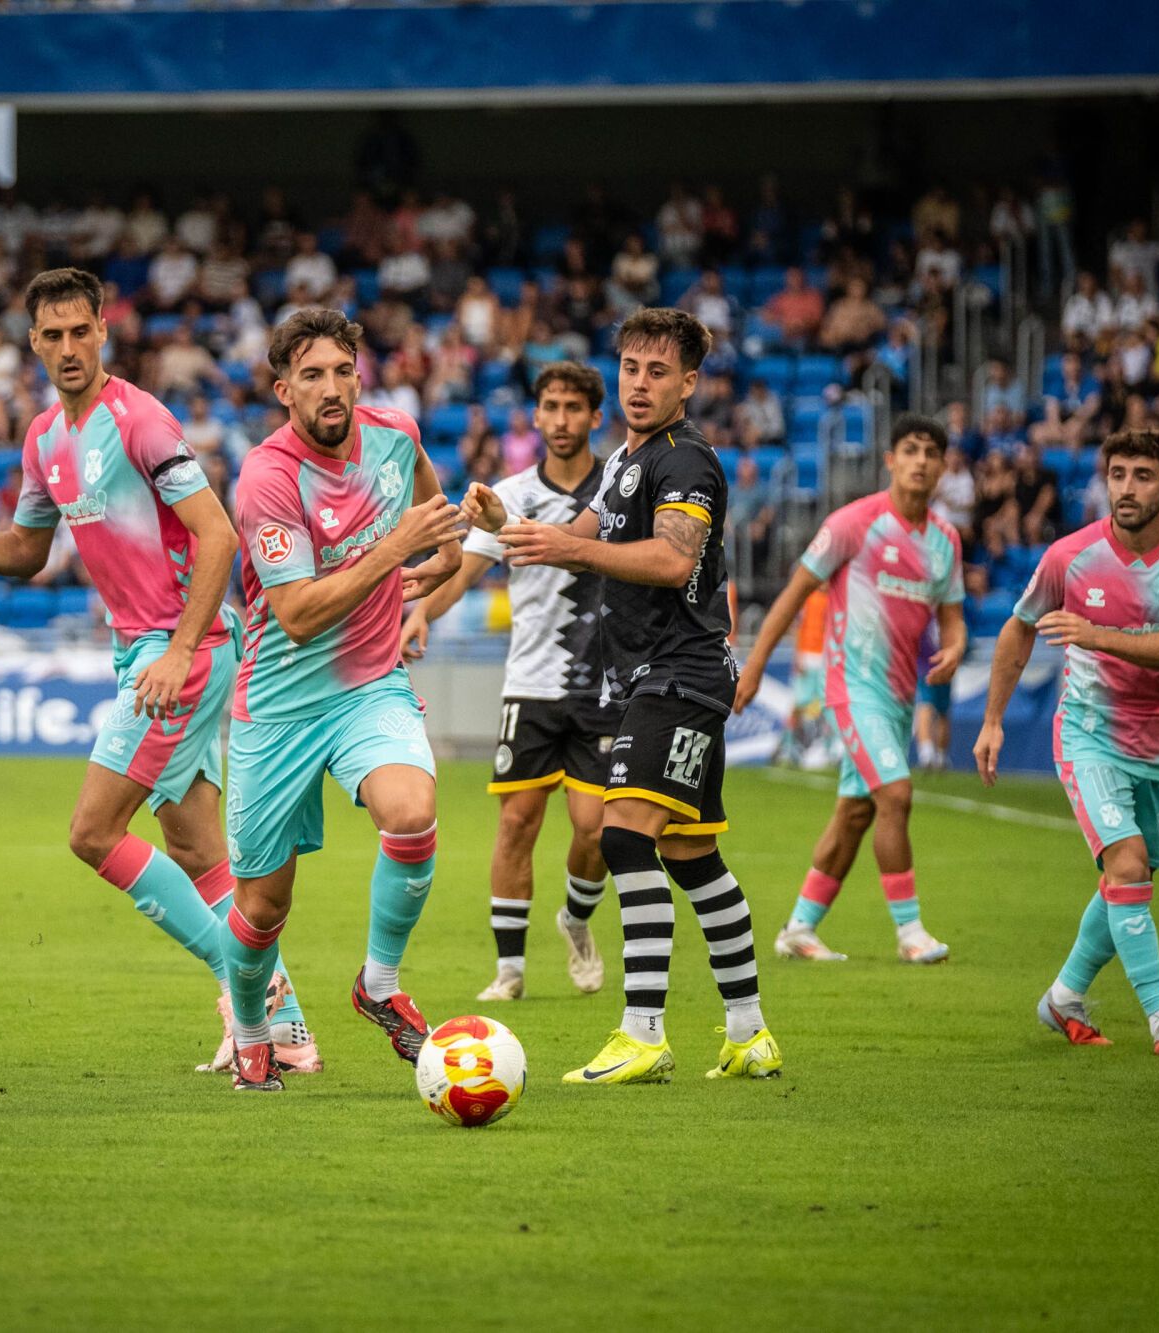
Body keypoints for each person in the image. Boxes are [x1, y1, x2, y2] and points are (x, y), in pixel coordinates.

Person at [0, 268, 319, 1075]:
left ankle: (251, 989)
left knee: (92, 833)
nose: (67, 347)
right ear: (33, 342)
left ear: (103, 331)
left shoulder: (142, 422)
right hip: (147, 651)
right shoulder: (43, 439)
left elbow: (219, 536)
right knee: (196, 847)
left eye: (79, 331)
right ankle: (289, 1031)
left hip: (182, 649)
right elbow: (27, 553)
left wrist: (177, 650)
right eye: (51, 335)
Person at [464, 307, 779, 1086]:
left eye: (658, 371)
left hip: (679, 672)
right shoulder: (623, 463)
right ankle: (750, 1032)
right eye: (631, 368)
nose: (640, 383)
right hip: (659, 676)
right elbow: (573, 540)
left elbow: (672, 560)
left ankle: (642, 1033)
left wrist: (564, 544)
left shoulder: (686, 461)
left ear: (688, 383)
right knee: (691, 855)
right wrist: (509, 525)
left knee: (623, 836)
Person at [221, 307, 465, 1093]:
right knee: (263, 905)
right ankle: (252, 1029)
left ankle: (380, 985)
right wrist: (396, 550)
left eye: (343, 372)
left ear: (360, 377)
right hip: (278, 706)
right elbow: (296, 614)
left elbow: (432, 507)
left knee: (412, 811)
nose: (332, 389)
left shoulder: (396, 434)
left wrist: (444, 553)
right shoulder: (267, 476)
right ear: (283, 389)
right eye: (313, 375)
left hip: (368, 684)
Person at [975, 426, 1159, 1061]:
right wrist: (993, 719)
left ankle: (1063, 997)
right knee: (1129, 865)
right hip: (1089, 733)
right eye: (1117, 474)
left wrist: (1095, 634)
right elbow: (1019, 627)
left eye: (1143, 476)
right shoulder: (1070, 556)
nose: (1127, 488)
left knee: (1131, 876)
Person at [400, 362, 613, 1002]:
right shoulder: (511, 495)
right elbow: (463, 571)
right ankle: (511, 971)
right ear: (536, 416)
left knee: (596, 830)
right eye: (551, 406)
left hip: (604, 688)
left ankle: (575, 918)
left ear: (595, 416)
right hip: (530, 684)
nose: (562, 419)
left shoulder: (620, 488)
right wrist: (421, 612)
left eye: (574, 407)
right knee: (518, 822)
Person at [733, 415, 967, 964]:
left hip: (899, 698)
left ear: (943, 466)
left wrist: (956, 648)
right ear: (890, 460)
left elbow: (953, 617)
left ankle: (798, 929)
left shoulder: (946, 540)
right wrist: (755, 666)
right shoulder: (854, 523)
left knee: (856, 814)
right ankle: (910, 933)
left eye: (931, 453)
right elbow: (794, 593)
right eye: (910, 449)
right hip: (851, 688)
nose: (920, 461)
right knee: (897, 795)